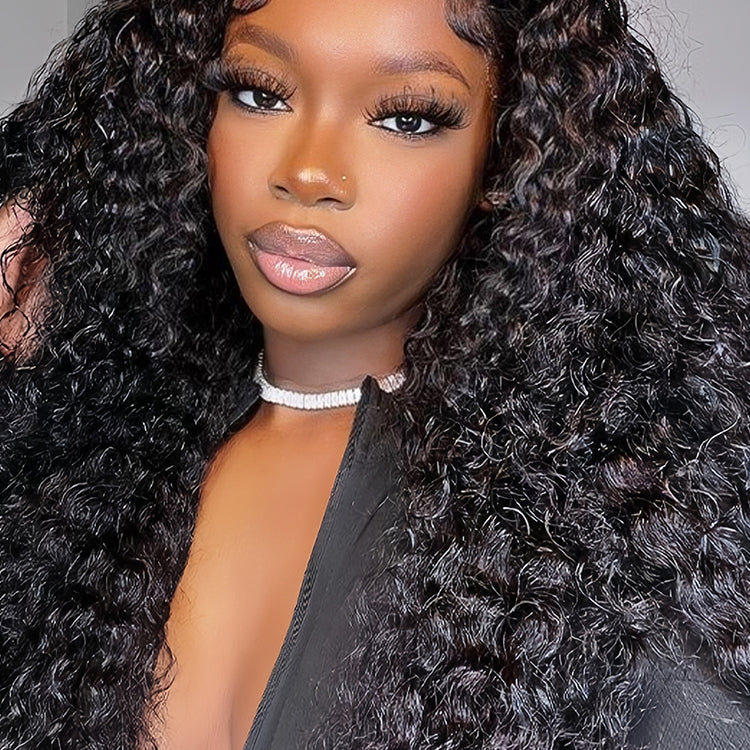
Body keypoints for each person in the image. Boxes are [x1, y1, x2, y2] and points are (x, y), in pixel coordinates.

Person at [1, 0, 749, 748]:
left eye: (406, 119)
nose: (308, 172)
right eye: (260, 94)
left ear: (509, 158)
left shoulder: (613, 532)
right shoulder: (83, 458)